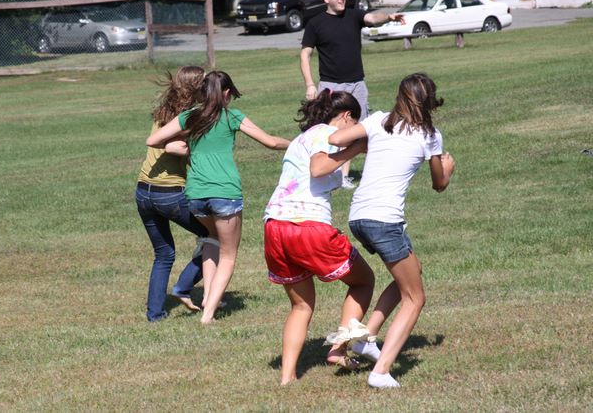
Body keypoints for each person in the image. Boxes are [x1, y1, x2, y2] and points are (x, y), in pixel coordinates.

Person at [329, 73, 456, 388]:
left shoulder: (378, 121)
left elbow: (336, 139)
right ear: (429, 101)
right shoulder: (430, 135)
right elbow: (439, 184)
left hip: (359, 216)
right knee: (415, 298)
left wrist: (366, 143)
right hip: (385, 220)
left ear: (400, 97)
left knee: (413, 272)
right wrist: (448, 169)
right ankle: (381, 371)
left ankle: (365, 338)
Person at [147, 70, 291, 324]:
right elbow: (269, 142)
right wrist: (297, 143)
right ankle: (209, 314)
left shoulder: (189, 116)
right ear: (225, 93)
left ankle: (207, 298)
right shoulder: (231, 116)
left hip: (195, 196)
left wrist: (183, 147)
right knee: (228, 254)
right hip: (225, 194)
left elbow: (153, 140)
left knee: (211, 239)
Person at [264, 89, 380, 385]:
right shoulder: (326, 133)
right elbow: (318, 169)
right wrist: (355, 148)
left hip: (275, 225)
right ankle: (338, 349)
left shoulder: (301, 139)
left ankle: (287, 378)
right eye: (354, 124)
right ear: (346, 117)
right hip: (308, 226)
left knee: (301, 306)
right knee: (363, 281)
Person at [300, 0, 404, 189]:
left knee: (360, 130)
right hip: (331, 85)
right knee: (327, 132)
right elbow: (305, 55)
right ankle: (322, 170)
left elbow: (372, 18)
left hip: (357, 84)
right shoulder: (315, 23)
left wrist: (389, 17)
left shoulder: (354, 15)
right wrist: (310, 84)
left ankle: (346, 176)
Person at [136, 66, 217, 322]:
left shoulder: (164, 109)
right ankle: (184, 286)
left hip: (143, 191)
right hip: (169, 194)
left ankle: (155, 315)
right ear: (197, 88)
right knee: (215, 236)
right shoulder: (188, 116)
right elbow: (172, 147)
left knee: (164, 253)